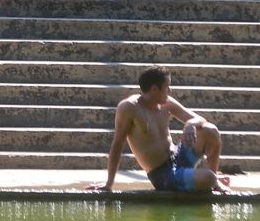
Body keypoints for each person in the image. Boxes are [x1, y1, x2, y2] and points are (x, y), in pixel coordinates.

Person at [90, 66, 231, 193]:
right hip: (162, 174)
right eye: (167, 86)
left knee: (211, 130)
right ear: (154, 90)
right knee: (208, 178)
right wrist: (108, 184)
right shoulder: (129, 108)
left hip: (179, 156)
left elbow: (200, 119)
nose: (170, 90)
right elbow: (118, 144)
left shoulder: (167, 103)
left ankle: (215, 181)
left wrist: (190, 124)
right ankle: (212, 179)